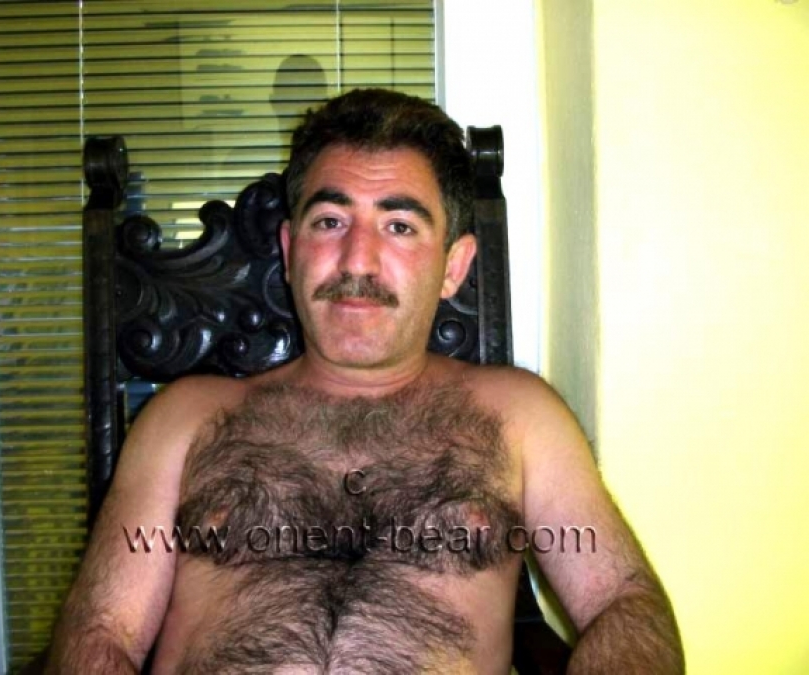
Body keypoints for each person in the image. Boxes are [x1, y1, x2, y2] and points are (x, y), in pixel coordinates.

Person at [47, 88, 684, 674]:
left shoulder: (519, 417)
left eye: (399, 226)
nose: (358, 260)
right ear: (291, 250)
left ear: (454, 266)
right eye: (331, 221)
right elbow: (101, 631)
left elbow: (624, 602)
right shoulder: (186, 419)